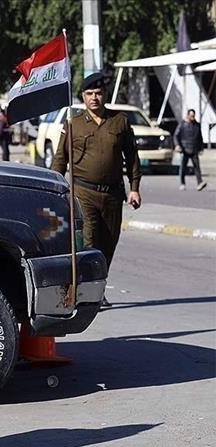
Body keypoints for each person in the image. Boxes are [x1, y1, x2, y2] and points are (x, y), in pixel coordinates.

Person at [50, 72, 142, 307]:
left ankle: (98, 287)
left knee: (108, 244)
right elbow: (60, 159)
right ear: (83, 97)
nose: (94, 98)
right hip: (83, 193)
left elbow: (132, 157)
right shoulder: (74, 124)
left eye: (98, 93)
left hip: (112, 194)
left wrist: (134, 188)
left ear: (105, 95)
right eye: (89, 93)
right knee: (89, 242)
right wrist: (52, 187)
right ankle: (87, 292)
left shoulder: (119, 122)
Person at [174, 108, 207, 191]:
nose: (193, 117)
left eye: (194, 116)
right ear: (188, 115)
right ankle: (182, 183)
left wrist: (201, 148)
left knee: (197, 166)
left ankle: (200, 183)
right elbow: (176, 135)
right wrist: (177, 145)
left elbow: (200, 137)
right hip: (184, 149)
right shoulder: (182, 125)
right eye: (191, 116)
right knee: (183, 167)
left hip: (194, 148)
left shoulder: (197, 125)